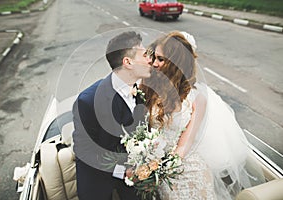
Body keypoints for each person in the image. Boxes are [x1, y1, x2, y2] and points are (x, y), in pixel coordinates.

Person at [140, 31, 265, 200]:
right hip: (154, 159)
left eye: (160, 59)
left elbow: (186, 143)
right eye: (154, 57)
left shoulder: (197, 97)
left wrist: (165, 169)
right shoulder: (146, 85)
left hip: (184, 162)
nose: (154, 63)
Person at [72, 31, 152, 200]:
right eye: (145, 55)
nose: (149, 60)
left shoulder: (139, 93)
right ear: (128, 62)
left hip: (134, 179)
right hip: (97, 182)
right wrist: (123, 172)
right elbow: (84, 150)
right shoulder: (88, 101)